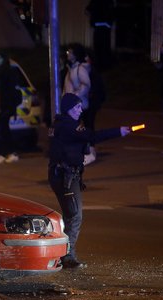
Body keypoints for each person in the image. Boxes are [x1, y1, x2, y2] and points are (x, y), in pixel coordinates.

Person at [48, 93, 130, 269]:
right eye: (76, 107)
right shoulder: (68, 126)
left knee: (71, 215)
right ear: (68, 109)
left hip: (65, 175)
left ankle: (61, 252)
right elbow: (92, 136)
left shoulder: (60, 124)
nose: (80, 110)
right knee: (74, 216)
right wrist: (119, 131)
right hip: (65, 177)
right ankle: (66, 256)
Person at [0, 51, 21, 164]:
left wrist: (7, 106)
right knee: (2, 130)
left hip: (5, 106)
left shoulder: (8, 72)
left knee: (4, 129)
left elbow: (10, 91)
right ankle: (7, 153)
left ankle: (9, 153)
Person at [82, 50, 106, 165]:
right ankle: (86, 145)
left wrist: (94, 97)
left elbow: (98, 89)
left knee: (89, 124)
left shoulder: (93, 73)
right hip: (84, 102)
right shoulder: (82, 71)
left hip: (91, 103)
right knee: (83, 124)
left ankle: (90, 146)